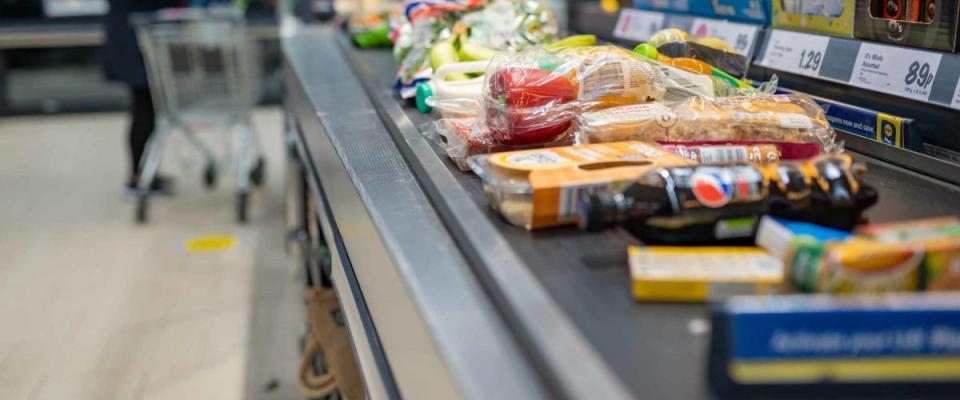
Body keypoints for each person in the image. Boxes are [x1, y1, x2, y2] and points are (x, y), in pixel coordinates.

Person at [102, 0, 182, 194]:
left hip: (132, 34)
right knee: (144, 106)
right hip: (138, 39)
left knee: (146, 107)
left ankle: (144, 172)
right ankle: (138, 177)